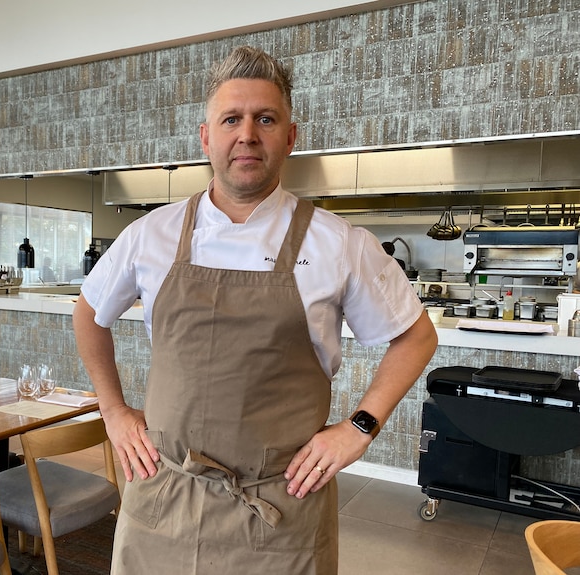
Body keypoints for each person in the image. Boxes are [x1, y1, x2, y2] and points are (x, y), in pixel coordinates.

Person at [73, 46, 437, 574]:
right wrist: (114, 410)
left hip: (279, 513)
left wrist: (359, 427)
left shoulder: (338, 243)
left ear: (290, 137)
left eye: (265, 119)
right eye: (231, 119)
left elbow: (416, 336)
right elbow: (89, 313)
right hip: (164, 497)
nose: (247, 134)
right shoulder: (150, 235)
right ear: (206, 137)